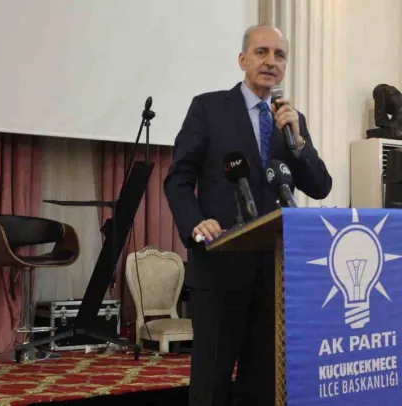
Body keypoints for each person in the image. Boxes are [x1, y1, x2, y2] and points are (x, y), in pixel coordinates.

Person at [163, 24, 332, 406]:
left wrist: (300, 143)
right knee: (211, 383)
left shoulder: (291, 121)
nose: (271, 61)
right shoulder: (208, 108)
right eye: (261, 52)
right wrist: (195, 223)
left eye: (279, 55)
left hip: (275, 273)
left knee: (264, 381)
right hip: (220, 266)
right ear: (242, 59)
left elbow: (320, 186)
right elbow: (178, 178)